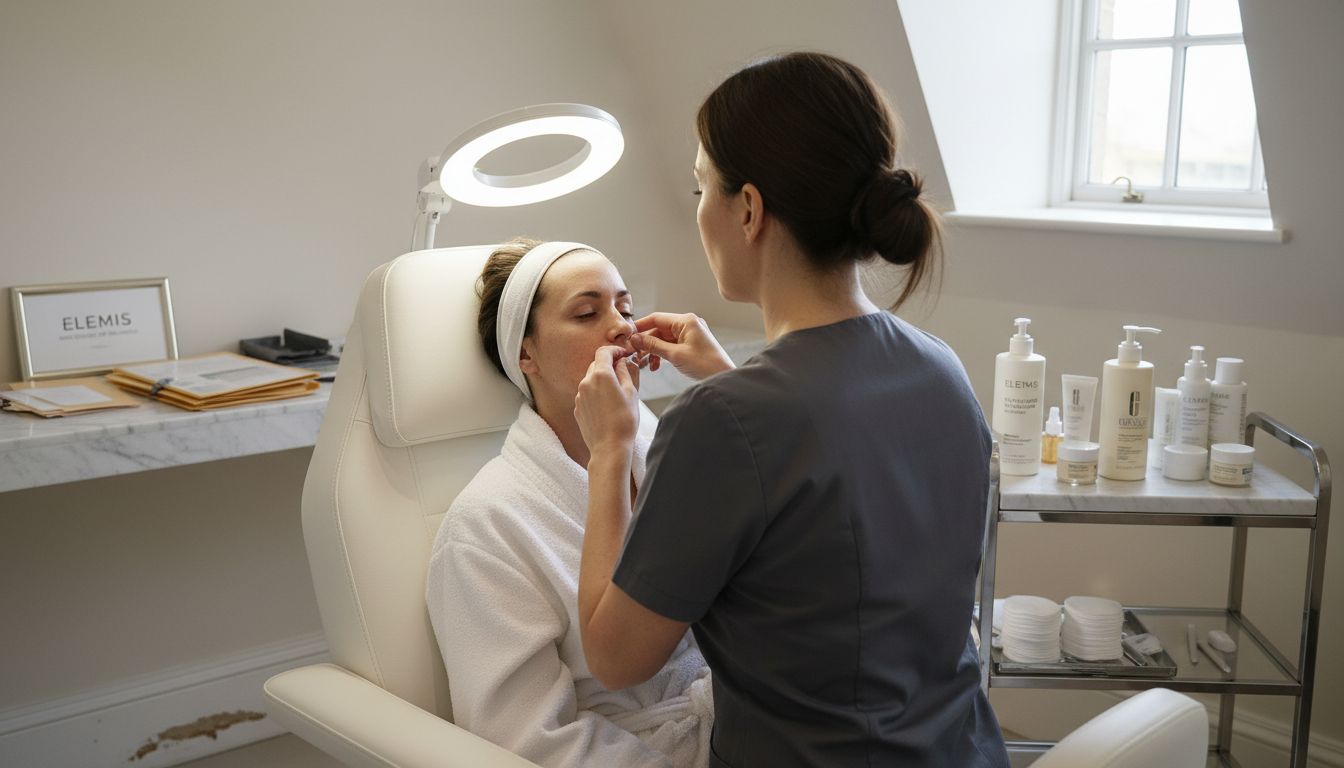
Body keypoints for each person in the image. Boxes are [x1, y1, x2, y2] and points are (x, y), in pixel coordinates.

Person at [572, 53, 1010, 767]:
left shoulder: (724, 422)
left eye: (700, 189)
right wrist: (730, 377)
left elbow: (617, 658)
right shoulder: (940, 368)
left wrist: (609, 450)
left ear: (748, 210)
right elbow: (826, 500)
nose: (700, 214)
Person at [426, 238, 713, 768]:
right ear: (525, 354)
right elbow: (525, 736)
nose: (623, 327)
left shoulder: (672, 452)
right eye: (587, 312)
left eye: (625, 308)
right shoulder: (488, 526)